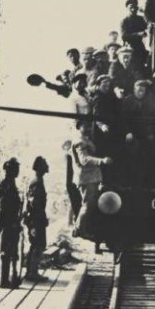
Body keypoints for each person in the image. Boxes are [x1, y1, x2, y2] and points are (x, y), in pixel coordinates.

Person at [72, 124, 113, 239]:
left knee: (89, 205)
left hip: (91, 177)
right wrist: (101, 161)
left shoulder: (85, 140)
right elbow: (84, 160)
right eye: (85, 125)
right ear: (79, 126)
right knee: (87, 205)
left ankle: (81, 228)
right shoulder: (79, 142)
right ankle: (79, 229)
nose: (88, 127)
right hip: (87, 178)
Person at [63, 73, 90, 219]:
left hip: (88, 131)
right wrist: (78, 136)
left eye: (83, 82)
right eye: (79, 82)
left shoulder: (86, 95)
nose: (81, 84)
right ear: (74, 84)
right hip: (79, 133)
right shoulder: (73, 99)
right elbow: (74, 120)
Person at [0, 158, 22, 288]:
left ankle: (10, 278)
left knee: (11, 250)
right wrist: (9, 222)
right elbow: (4, 206)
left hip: (12, 221)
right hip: (8, 222)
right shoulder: (6, 185)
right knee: (7, 250)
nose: (18, 171)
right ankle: (4, 280)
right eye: (16, 169)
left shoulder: (10, 184)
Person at [23, 157, 49, 282]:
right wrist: (34, 223)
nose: (47, 167)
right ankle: (32, 272)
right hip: (35, 219)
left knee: (37, 244)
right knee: (37, 245)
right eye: (44, 165)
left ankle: (32, 271)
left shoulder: (38, 180)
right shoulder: (37, 182)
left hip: (37, 218)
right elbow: (34, 204)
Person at [120, 0, 148, 67]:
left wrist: (145, 13)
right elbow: (124, 36)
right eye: (131, 7)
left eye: (135, 7)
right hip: (129, 48)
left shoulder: (141, 19)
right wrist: (138, 34)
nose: (133, 9)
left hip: (140, 47)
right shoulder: (125, 21)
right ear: (127, 8)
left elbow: (147, 28)